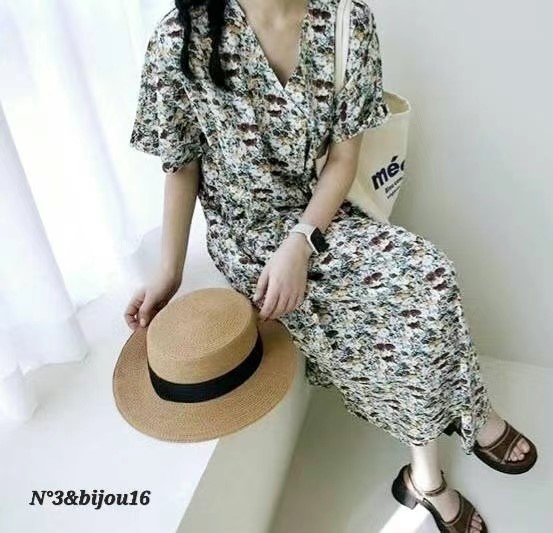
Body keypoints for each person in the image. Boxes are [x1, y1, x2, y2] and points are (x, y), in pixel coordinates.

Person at [124, 1, 538, 531]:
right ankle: (435, 469)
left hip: (320, 219)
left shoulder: (345, 22)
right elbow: (181, 166)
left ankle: (459, 426)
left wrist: (302, 241)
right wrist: (170, 272)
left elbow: (344, 159)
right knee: (407, 307)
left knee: (431, 278)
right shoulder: (181, 37)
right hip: (247, 240)